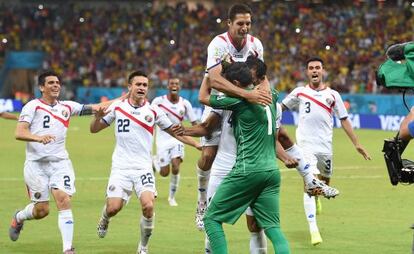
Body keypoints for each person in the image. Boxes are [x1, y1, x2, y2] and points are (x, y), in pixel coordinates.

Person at [90, 71, 199, 254]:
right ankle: (105, 218)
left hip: (143, 168)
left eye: (144, 85)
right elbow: (94, 129)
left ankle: (143, 246)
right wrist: (97, 117)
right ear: (129, 87)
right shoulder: (118, 107)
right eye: (138, 84)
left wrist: (196, 144)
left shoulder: (154, 111)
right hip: (121, 167)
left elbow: (175, 132)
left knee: (148, 206)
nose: (141, 88)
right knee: (113, 208)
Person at [9, 70, 112, 254]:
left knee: (63, 200)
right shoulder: (32, 106)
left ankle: (67, 249)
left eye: (57, 82)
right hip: (36, 165)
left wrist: (125, 99)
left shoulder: (67, 107)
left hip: (60, 163)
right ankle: (19, 217)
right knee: (42, 211)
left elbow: (96, 107)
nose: (56, 85)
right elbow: (19, 132)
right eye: (51, 83)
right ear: (41, 87)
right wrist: (38, 138)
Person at [196, 61, 289, 254]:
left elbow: (203, 96)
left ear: (237, 84)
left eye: (230, 84)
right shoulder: (271, 95)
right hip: (271, 172)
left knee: (211, 219)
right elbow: (262, 77)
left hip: (247, 170)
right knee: (274, 228)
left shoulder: (238, 101)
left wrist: (209, 73)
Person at [195, 3, 271, 231]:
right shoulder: (218, 45)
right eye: (240, 23)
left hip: (244, 100)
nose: (245, 27)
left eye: (248, 23)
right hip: (221, 98)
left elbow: (263, 75)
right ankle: (201, 201)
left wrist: (265, 94)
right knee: (208, 154)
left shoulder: (255, 45)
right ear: (229, 23)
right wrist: (247, 95)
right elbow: (215, 80)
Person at [282, 57, 371, 245]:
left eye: (318, 68)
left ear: (323, 71)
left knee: (324, 180)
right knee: (309, 183)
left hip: (325, 147)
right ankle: (314, 229)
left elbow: (344, 119)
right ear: (307, 72)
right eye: (311, 68)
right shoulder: (299, 92)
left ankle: (318, 194)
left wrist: (357, 143)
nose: (314, 71)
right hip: (305, 145)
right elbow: (280, 108)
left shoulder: (333, 95)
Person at [151, 77, 198, 206]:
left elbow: (195, 123)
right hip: (162, 139)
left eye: (176, 84)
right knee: (164, 173)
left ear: (179, 87)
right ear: (168, 86)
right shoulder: (158, 101)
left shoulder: (185, 103)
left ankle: (171, 197)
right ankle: (155, 162)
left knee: (176, 167)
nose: (174, 85)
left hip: (178, 138)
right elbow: (148, 117)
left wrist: (201, 136)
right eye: (172, 83)